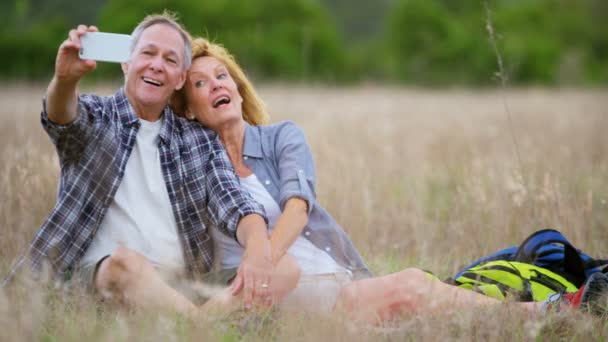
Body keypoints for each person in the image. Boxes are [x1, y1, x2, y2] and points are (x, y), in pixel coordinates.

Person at [172, 37, 608, 322]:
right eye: (199, 83)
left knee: (425, 297)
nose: (215, 84)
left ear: (238, 84)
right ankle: (554, 315)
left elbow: (297, 206)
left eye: (221, 75)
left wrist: (262, 256)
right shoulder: (191, 164)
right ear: (188, 107)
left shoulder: (280, 137)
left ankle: (543, 306)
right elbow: (132, 114)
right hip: (274, 298)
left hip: (330, 280)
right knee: (414, 285)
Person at [1, 12, 295, 316]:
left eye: (170, 60)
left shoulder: (198, 140)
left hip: (183, 288)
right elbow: (61, 117)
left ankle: (194, 323)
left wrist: (258, 246)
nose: (157, 64)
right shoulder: (96, 118)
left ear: (180, 78)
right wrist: (64, 81)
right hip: (101, 284)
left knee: (283, 267)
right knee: (124, 263)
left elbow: (235, 205)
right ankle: (205, 329)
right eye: (148, 53)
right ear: (127, 63)